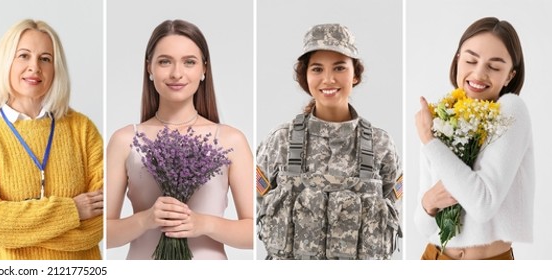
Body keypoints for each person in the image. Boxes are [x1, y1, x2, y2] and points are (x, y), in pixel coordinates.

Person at [105, 19, 253, 260]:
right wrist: (146, 219)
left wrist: (204, 224)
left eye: (189, 62)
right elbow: (103, 233)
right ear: (149, 68)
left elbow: (256, 230)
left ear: (204, 69)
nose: (177, 73)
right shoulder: (125, 140)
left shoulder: (230, 140)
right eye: (165, 61)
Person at [0, 19, 103, 260]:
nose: (34, 67)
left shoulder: (82, 129)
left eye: (45, 59)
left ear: (56, 68)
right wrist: (72, 211)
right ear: (6, 62)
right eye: (23, 56)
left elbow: (99, 222)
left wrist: (16, 232)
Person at [255, 23, 402, 260]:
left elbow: (393, 214)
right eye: (317, 69)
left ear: (355, 75)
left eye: (339, 67)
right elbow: (258, 206)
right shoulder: (280, 140)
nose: (328, 79)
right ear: (305, 76)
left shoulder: (380, 144)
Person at [414, 17, 531, 260]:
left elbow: (482, 204)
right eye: (470, 60)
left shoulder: (510, 109)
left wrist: (429, 141)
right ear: (458, 60)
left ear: (509, 76)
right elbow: (423, 226)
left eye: (495, 66)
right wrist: (427, 203)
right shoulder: (442, 115)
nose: (479, 73)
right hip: (433, 257)